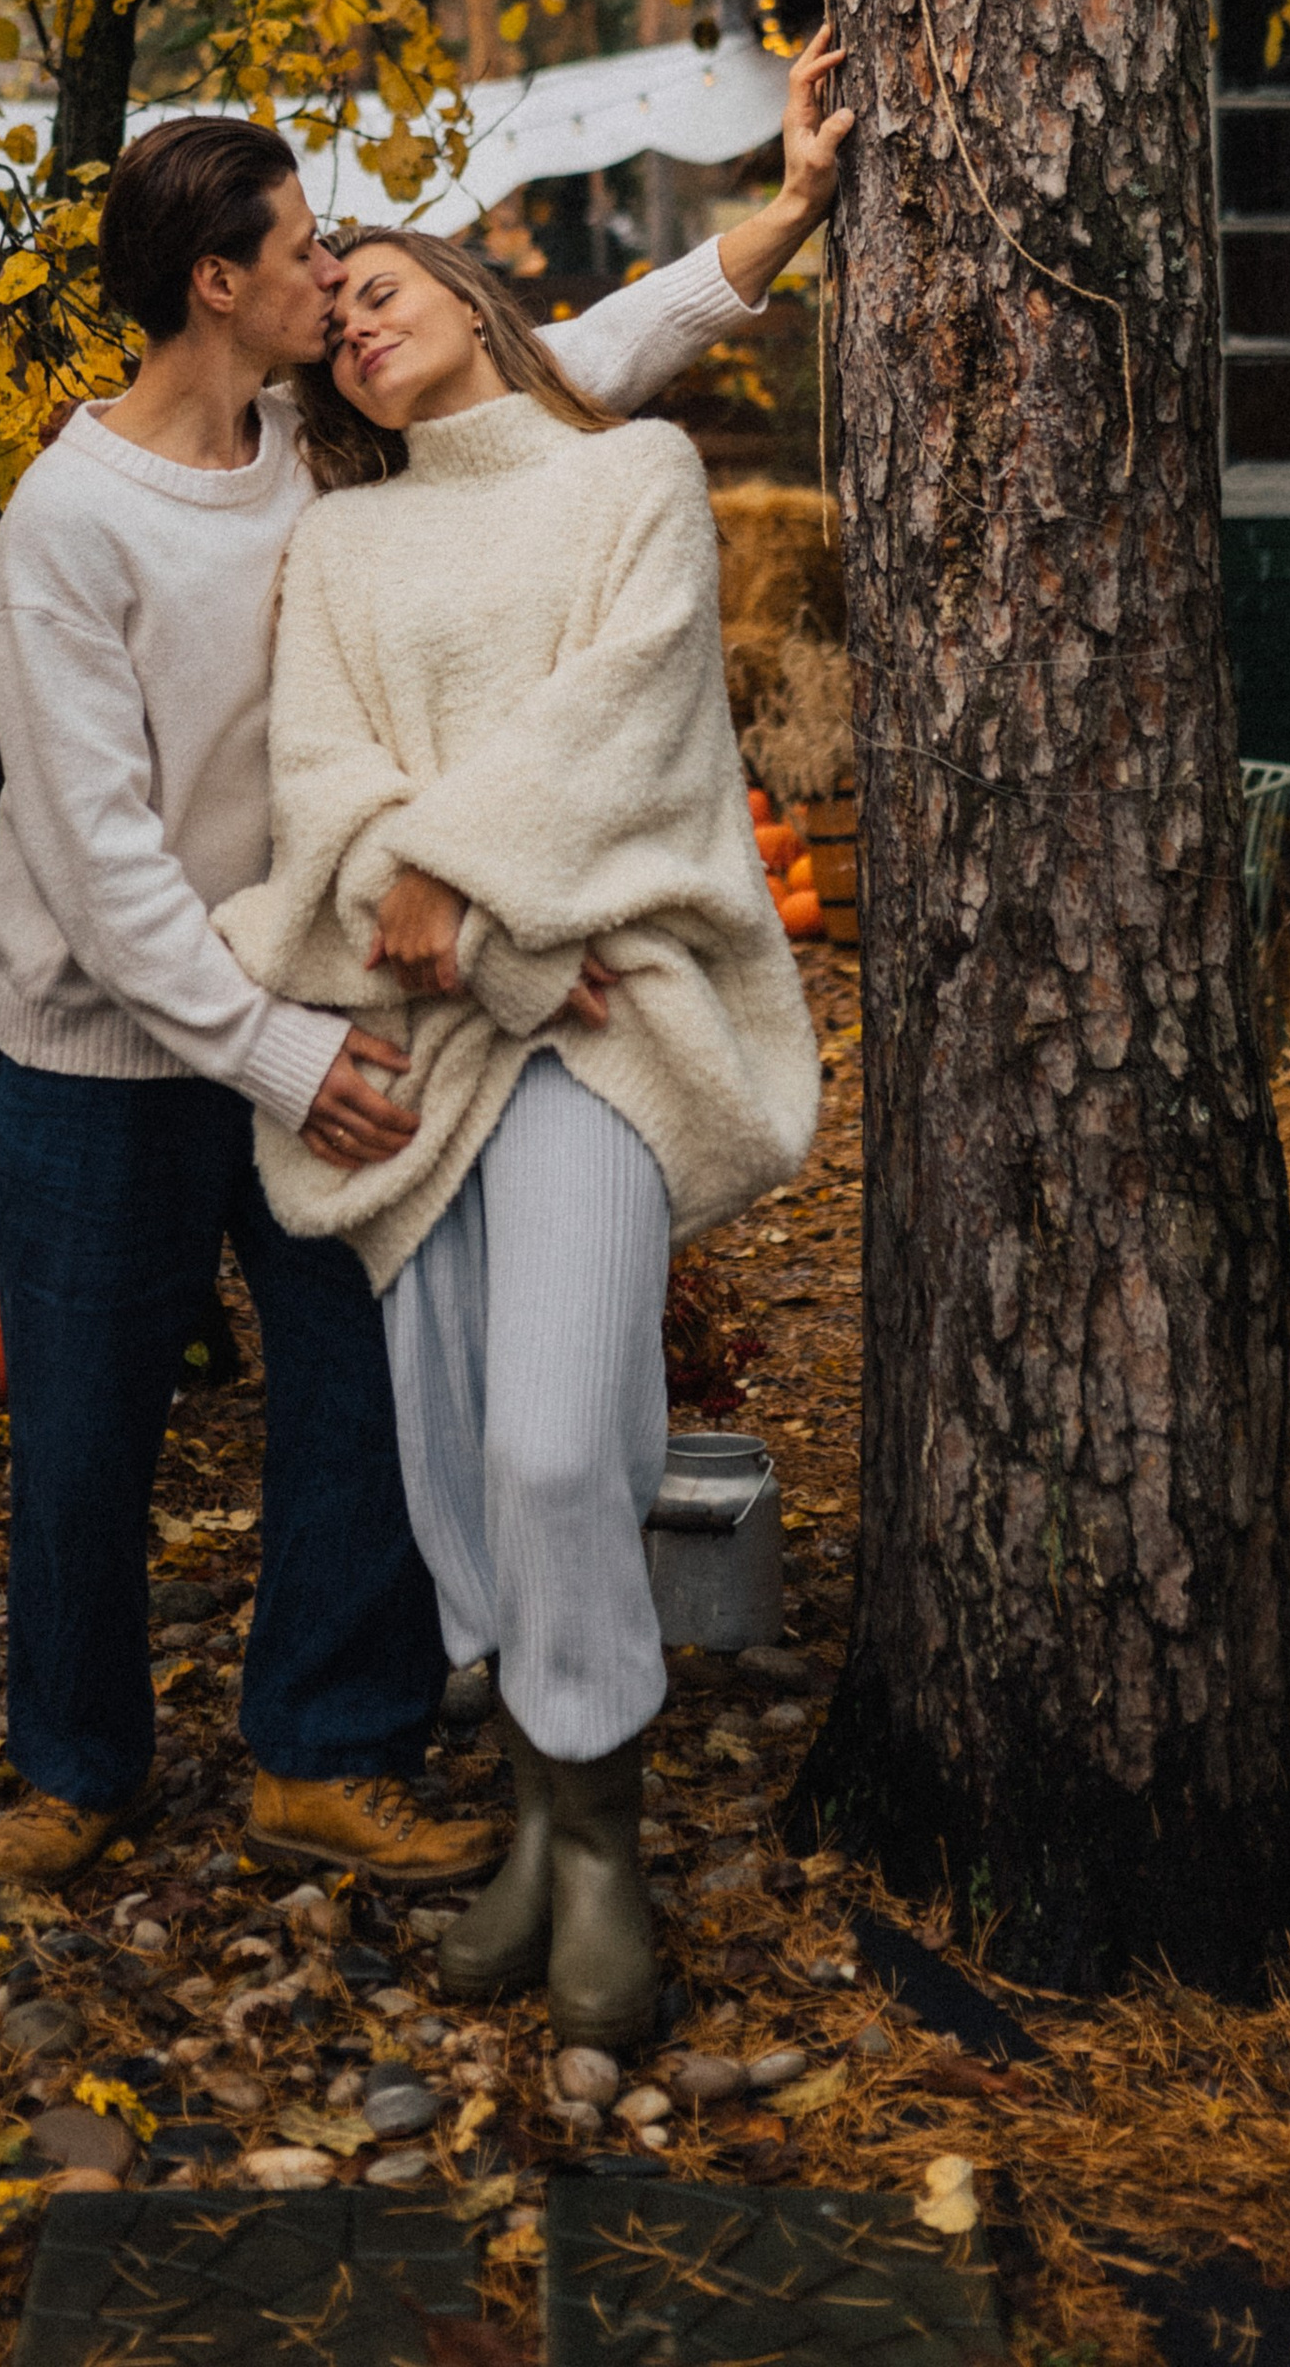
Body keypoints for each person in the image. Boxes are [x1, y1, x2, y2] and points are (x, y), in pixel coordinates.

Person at [0, 39, 849, 1892]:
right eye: (305, 250)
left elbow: (551, 382)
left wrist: (764, 232)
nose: (332, 275)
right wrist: (275, 1056)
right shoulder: (67, 526)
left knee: (355, 1390)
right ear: (220, 282)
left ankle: (327, 1745)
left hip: (334, 996)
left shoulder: (318, 453)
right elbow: (97, 866)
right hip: (101, 1049)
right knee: (83, 1417)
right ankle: (76, 1760)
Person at [214, 227, 819, 2045]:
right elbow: (321, 782)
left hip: (606, 1028)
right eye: (332, 328)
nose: (356, 328)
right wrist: (458, 935)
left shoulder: (629, 477)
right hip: (434, 1051)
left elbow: (627, 726)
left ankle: (612, 1849)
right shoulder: (340, 539)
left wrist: (457, 892)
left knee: (561, 1446)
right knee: (463, 1457)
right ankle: (547, 1837)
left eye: (381, 289)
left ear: (478, 300)